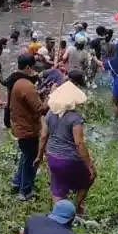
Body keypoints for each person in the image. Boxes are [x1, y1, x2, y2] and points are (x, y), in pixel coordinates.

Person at [37, 82, 95, 214]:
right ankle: (78, 206)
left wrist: (39, 155)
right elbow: (79, 143)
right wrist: (89, 165)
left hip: (52, 157)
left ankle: (57, 215)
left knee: (57, 184)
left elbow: (43, 136)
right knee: (89, 178)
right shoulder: (75, 118)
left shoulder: (50, 114)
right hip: (70, 159)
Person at [6, 54, 44, 200]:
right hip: (28, 129)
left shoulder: (18, 82)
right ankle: (25, 191)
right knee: (31, 159)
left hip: (20, 127)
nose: (34, 71)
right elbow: (40, 109)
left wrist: (39, 94)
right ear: (28, 68)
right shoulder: (27, 85)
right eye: (33, 68)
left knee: (26, 156)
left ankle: (17, 181)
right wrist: (50, 96)